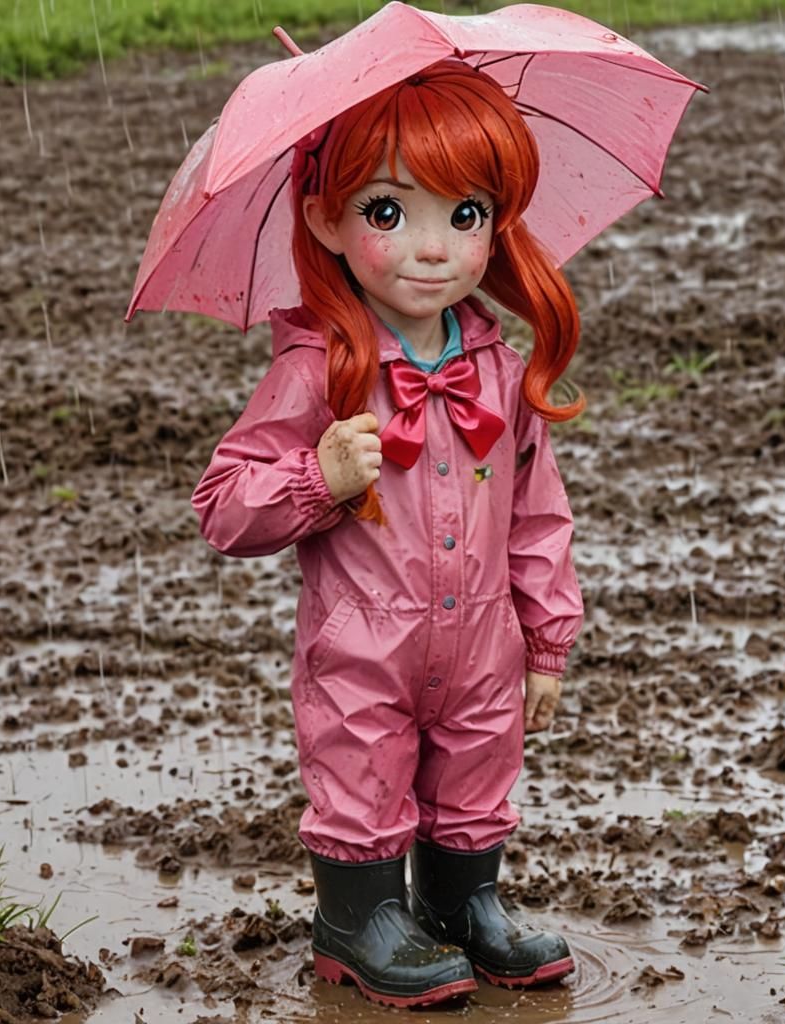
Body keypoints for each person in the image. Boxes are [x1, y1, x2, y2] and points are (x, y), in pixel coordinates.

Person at [191, 60, 585, 1008]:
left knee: (477, 759)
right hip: (365, 638)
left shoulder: (498, 367)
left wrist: (546, 636)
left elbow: (537, 512)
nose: (432, 249)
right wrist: (315, 478)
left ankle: (466, 903)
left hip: (482, 634)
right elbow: (223, 504)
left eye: (465, 214)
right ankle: (358, 917)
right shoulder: (317, 371)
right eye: (386, 212)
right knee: (362, 765)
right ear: (324, 219)